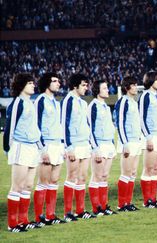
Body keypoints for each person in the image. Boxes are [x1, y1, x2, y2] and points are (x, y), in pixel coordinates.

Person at [4, 73, 42, 232]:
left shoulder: (31, 103)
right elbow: (9, 129)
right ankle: (12, 224)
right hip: (21, 147)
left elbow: (35, 128)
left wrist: (40, 147)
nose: (33, 85)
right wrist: (8, 149)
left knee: (27, 186)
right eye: (30, 83)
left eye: (33, 83)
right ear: (21, 86)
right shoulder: (17, 103)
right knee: (17, 187)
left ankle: (23, 220)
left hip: (33, 147)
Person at [33, 73, 66, 225]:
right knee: (43, 182)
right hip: (46, 145)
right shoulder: (40, 100)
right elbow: (36, 125)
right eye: (54, 81)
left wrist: (63, 145)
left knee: (54, 181)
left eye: (58, 81)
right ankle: (39, 217)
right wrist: (42, 149)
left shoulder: (56, 102)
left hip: (57, 145)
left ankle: (50, 215)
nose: (58, 83)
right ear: (47, 83)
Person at [61, 74, 94, 220]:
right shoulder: (67, 101)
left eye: (87, 85)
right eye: (84, 85)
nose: (86, 88)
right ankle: (68, 212)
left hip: (84, 144)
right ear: (75, 86)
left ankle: (80, 210)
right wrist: (69, 147)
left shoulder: (83, 102)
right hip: (73, 144)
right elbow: (64, 124)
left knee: (82, 177)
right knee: (71, 176)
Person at [87, 80, 117, 215]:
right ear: (97, 90)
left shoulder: (105, 106)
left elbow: (109, 127)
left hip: (108, 144)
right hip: (99, 144)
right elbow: (90, 128)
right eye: (104, 88)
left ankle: (104, 206)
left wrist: (112, 144)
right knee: (97, 176)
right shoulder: (93, 106)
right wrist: (95, 148)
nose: (107, 90)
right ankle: (96, 208)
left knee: (104, 176)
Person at [114, 76, 141, 211]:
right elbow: (119, 123)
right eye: (134, 85)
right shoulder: (123, 101)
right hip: (128, 141)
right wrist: (125, 143)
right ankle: (121, 204)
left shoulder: (133, 102)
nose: (136, 87)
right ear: (127, 88)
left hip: (136, 141)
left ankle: (128, 203)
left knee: (133, 173)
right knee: (126, 173)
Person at [138, 72, 157, 208]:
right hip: (151, 136)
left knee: (155, 168)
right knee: (148, 169)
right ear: (151, 81)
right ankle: (146, 200)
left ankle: (153, 199)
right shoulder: (145, 96)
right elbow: (141, 118)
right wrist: (148, 137)